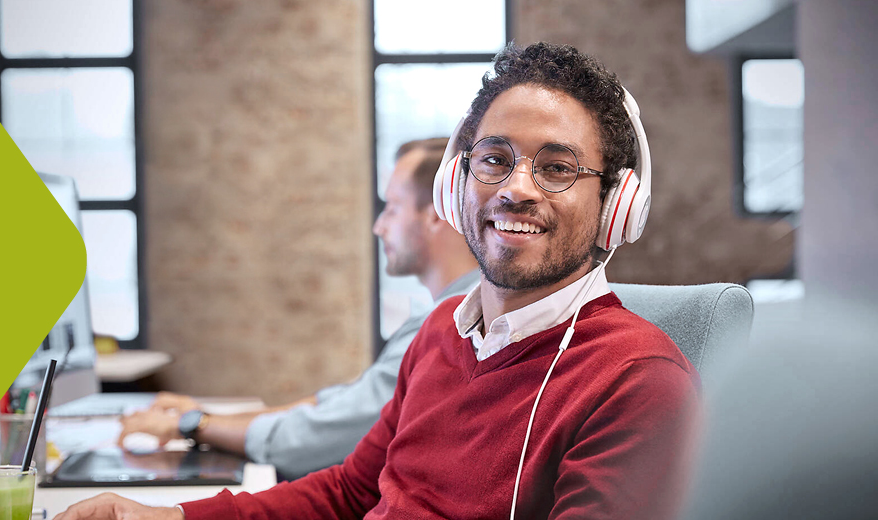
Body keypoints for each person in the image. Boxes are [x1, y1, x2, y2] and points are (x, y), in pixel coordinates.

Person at [55, 42, 699, 520]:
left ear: (618, 203)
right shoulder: (440, 338)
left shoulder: (638, 382)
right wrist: (163, 516)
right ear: (457, 183)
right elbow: (349, 492)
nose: (515, 189)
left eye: (557, 167)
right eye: (494, 160)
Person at [117, 138, 480, 480]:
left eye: (392, 208)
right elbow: (339, 406)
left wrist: (195, 424)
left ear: (436, 215)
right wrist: (208, 418)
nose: (379, 226)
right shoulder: (440, 315)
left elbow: (318, 438)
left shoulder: (453, 323)